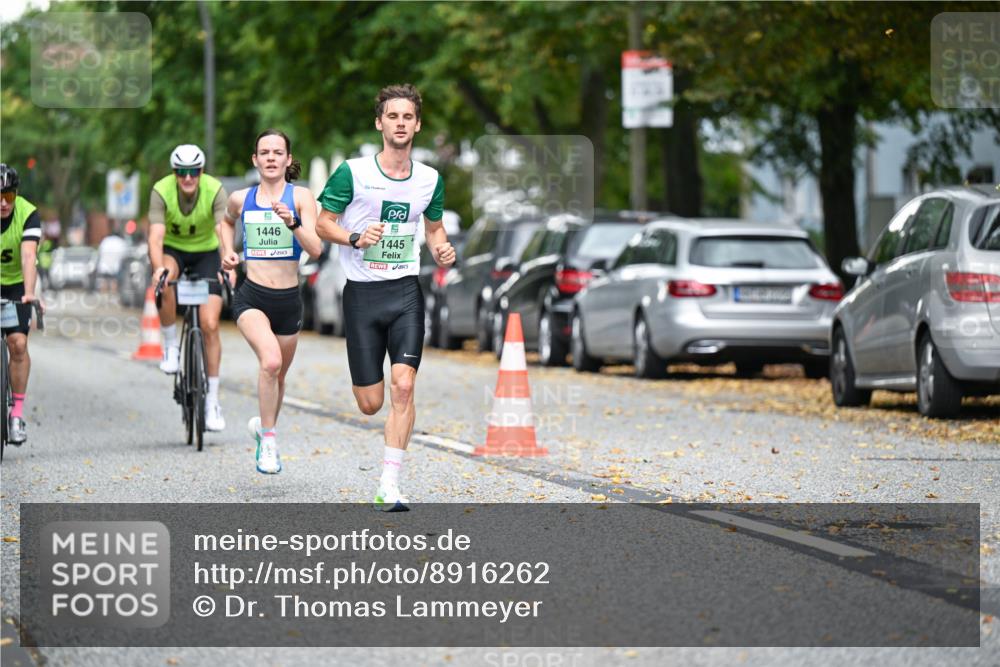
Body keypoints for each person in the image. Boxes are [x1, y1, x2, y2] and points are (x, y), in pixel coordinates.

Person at [316, 84, 456, 510]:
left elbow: (434, 229)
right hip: (362, 294)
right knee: (370, 403)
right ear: (380, 123)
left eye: (407, 117)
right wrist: (355, 237)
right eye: (392, 116)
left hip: (405, 291)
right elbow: (323, 223)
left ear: (417, 124)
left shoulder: (429, 179)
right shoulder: (353, 173)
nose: (400, 123)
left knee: (404, 385)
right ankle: (386, 452)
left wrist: (441, 249)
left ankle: (389, 484)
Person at [219, 130, 322, 474]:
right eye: (265, 152)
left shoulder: (301, 197)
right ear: (256, 160)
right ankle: (270, 442)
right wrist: (227, 252)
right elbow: (225, 222)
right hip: (253, 296)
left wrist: (292, 222)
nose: (271, 158)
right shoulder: (241, 198)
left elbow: (316, 248)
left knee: (278, 377)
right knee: (271, 362)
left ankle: (264, 432)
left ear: (288, 159)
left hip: (289, 300)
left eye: (278, 152)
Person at [148, 145, 229, 431]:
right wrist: (158, 268)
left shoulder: (215, 190)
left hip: (207, 253)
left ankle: (212, 402)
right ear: (174, 173)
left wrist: (227, 262)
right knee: (165, 279)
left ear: (201, 171)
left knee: (210, 325)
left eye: (193, 171)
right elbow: (156, 237)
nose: (187, 178)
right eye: (181, 172)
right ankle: (171, 345)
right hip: (174, 251)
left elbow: (222, 231)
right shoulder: (161, 191)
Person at [0, 164, 44, 445]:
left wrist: (29, 292)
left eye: (9, 196)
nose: (4, 203)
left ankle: (16, 415)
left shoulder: (28, 213)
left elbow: (29, 257)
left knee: (17, 344)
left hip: (16, 284)